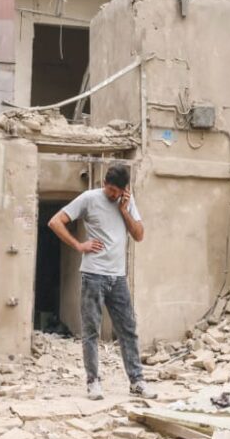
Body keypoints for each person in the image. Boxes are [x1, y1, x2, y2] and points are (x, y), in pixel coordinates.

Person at [48, 164, 157, 400]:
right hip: (93, 275)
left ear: (125, 189)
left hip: (118, 277)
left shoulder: (126, 202)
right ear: (104, 183)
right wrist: (79, 245)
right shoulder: (89, 198)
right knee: (91, 332)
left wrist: (125, 210)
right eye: (110, 190)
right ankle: (93, 382)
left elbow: (139, 235)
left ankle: (137, 381)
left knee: (128, 330)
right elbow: (55, 222)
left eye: (118, 192)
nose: (113, 195)